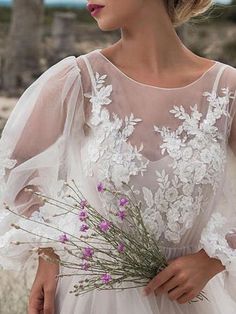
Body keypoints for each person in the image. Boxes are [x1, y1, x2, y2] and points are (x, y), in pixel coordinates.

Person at [0, 0, 236, 313]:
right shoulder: (78, 78)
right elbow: (14, 171)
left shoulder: (227, 89)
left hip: (189, 299)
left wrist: (213, 259)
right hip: (90, 294)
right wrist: (48, 252)